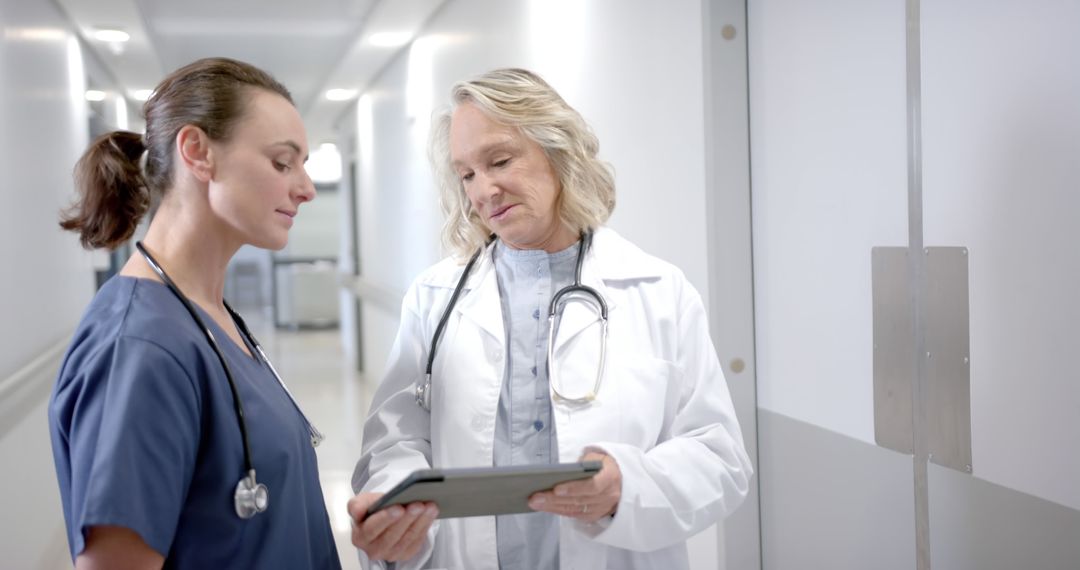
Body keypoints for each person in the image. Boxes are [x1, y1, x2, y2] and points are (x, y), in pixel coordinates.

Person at [347, 68, 752, 569]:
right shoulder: (435, 297)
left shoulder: (659, 292)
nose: (483, 191)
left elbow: (720, 459)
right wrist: (396, 503)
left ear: (558, 151)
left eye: (499, 161)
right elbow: (395, 441)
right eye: (466, 174)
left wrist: (626, 487)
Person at [49, 57, 341, 569]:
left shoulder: (207, 316)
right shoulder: (138, 347)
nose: (306, 188)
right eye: (282, 162)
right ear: (197, 153)